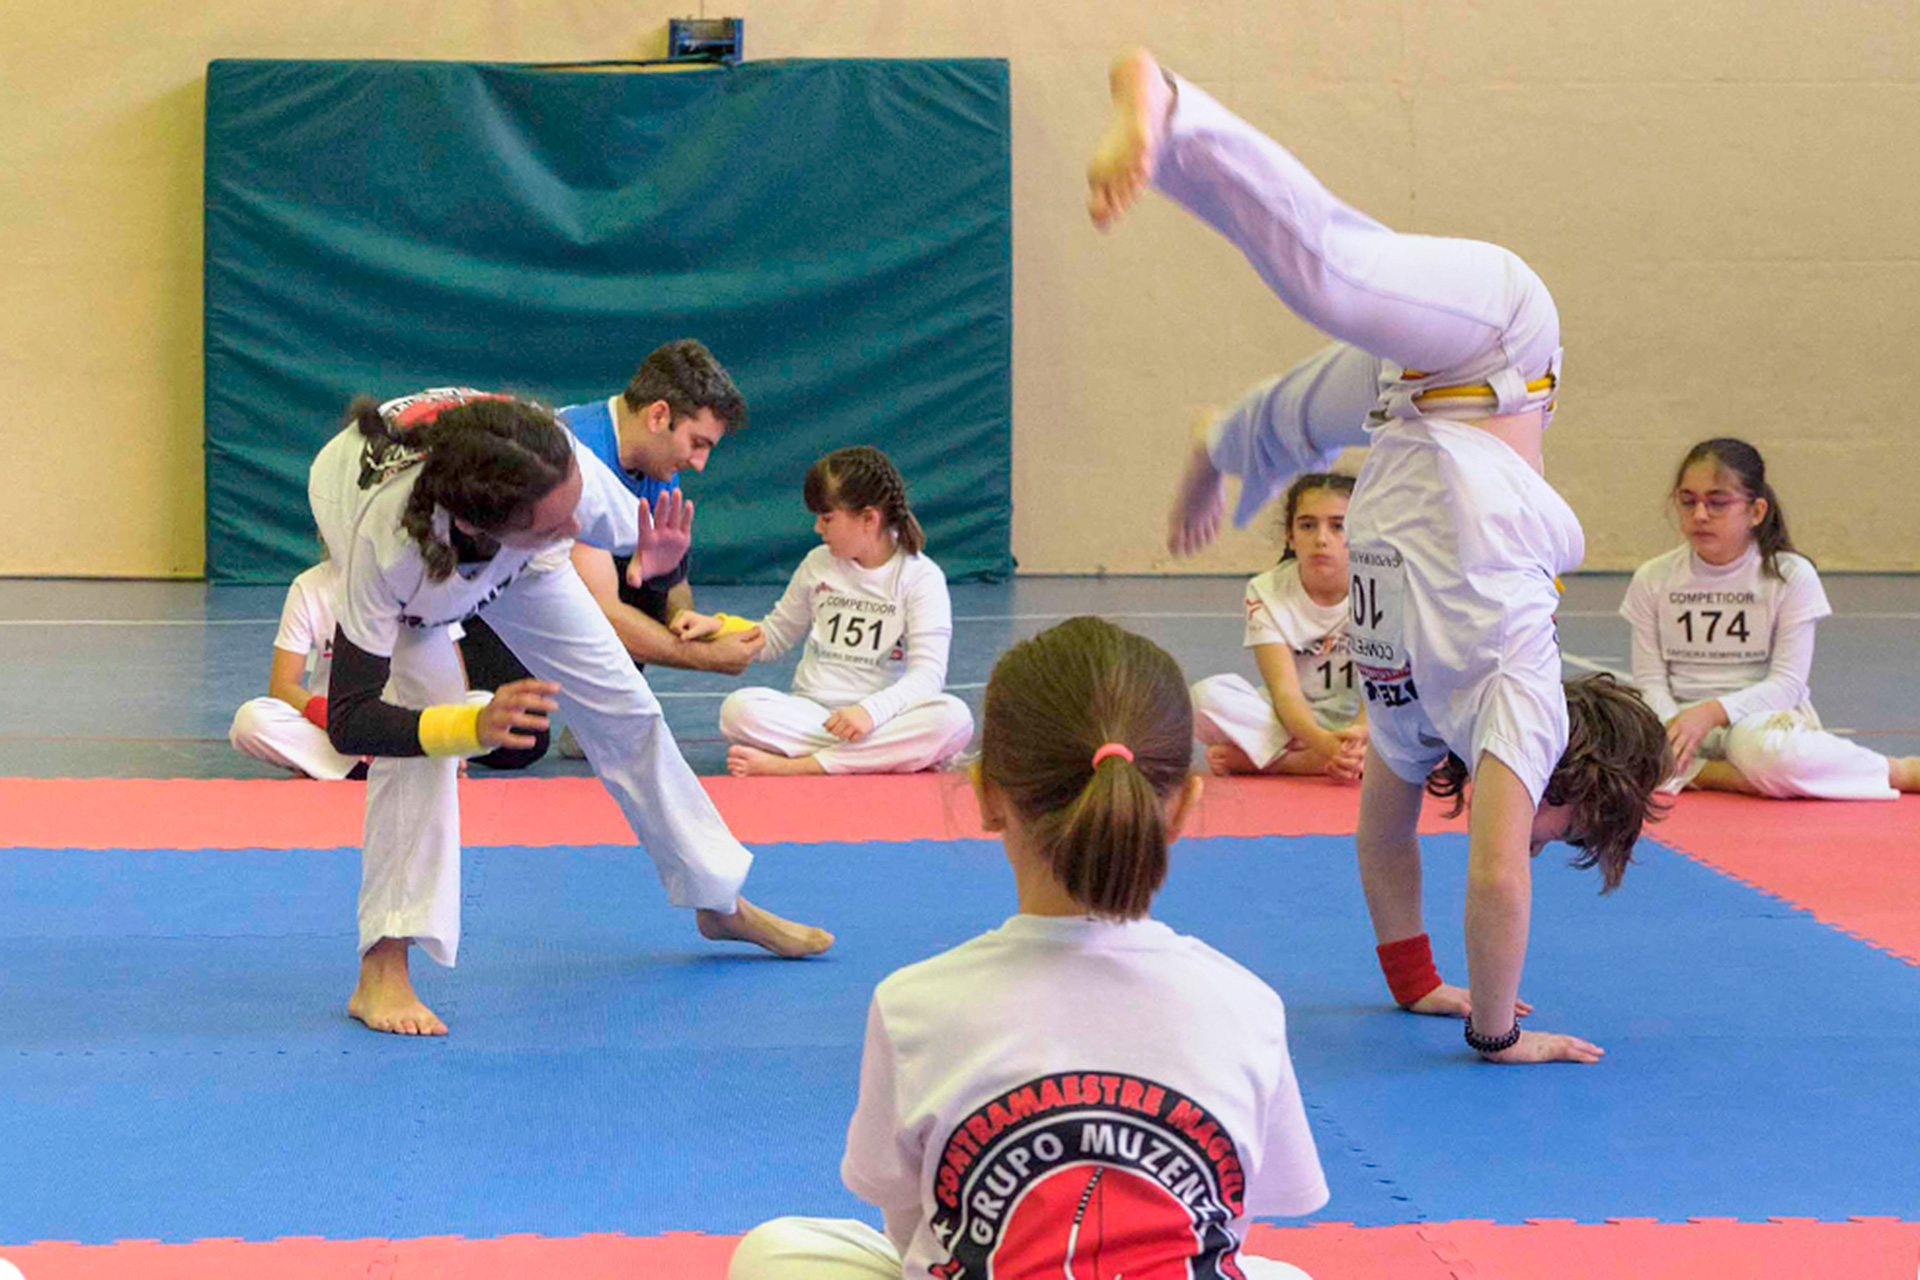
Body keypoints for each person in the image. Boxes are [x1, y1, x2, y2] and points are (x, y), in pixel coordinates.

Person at [1087, 50, 1670, 1064]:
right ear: (1584, 774)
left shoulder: (1415, 718)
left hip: (1403, 404)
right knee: (1334, 272)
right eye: (1568, 829)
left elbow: (1384, 839)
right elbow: (1493, 871)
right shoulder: (1520, 692)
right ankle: (1171, 107)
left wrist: (1418, 981)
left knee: (1300, 404)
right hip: (1500, 347)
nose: (1542, 837)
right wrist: (1496, 1032)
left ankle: (1228, 441)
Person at [728, 618, 1326, 1280]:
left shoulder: (915, 1003)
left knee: (776, 1253)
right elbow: (1229, 1220)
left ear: (986, 796)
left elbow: (911, 1234)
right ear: (1183, 807)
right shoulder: (1246, 1005)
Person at [309, 387, 832, 1037]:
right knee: (424, 734)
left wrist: (657, 573)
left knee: (625, 705)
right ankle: (381, 968)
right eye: (557, 524)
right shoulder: (391, 552)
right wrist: (468, 725)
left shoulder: (556, 464)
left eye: (574, 507)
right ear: (489, 527)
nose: (575, 528)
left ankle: (715, 897)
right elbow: (352, 718)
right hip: (385, 523)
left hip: (511, 527)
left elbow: (631, 555)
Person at [1621, 438, 1918, 798]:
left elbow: (1787, 684)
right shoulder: (1653, 577)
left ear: (1756, 511)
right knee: (1613, 750)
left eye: (1717, 503)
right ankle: (1724, 776)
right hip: (1678, 720)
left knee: (1770, 753)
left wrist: (1710, 714)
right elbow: (1650, 680)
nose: (1699, 515)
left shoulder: (1790, 576)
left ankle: (1895, 771)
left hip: (1757, 722)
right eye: (1688, 501)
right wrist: (1672, 729)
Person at [676, 446, 974, 776]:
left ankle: (803, 766)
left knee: (953, 718)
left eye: (827, 518)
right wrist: (717, 626)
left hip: (881, 719)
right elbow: (774, 636)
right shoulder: (818, 563)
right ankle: (881, 757)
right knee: (737, 710)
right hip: (815, 714)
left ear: (869, 519)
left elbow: (927, 676)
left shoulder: (920, 577)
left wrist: (868, 712)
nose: (818, 528)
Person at [1190, 472, 1366, 779]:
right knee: (1204, 697)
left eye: (1338, 526)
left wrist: (1360, 736)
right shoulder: (1266, 590)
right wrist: (1322, 742)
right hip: (1290, 722)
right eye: (1307, 525)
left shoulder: (1383, 590)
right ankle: (1319, 761)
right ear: (1290, 535)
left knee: (1427, 712)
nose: (1321, 539)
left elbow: (1385, 688)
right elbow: (1285, 692)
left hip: (1362, 722)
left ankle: (1279, 762)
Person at [228, 558, 366, 781]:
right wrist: (330, 717)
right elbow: (282, 686)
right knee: (250, 721)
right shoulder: (309, 586)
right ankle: (360, 771)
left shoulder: (405, 580)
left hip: (393, 723)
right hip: (332, 727)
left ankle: (332, 769)